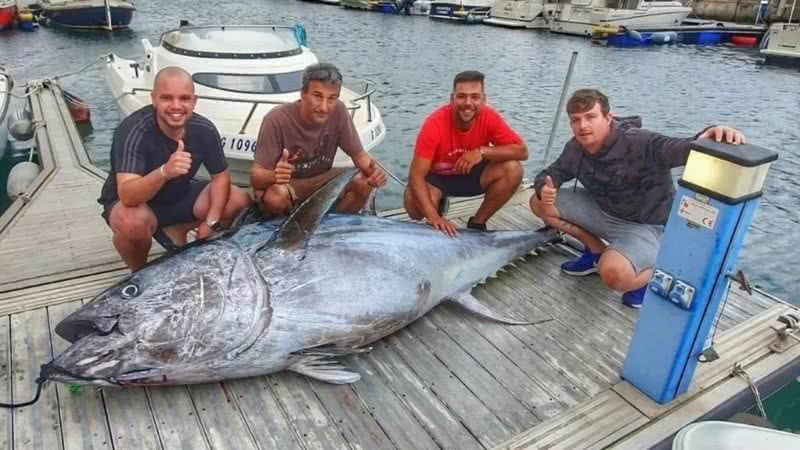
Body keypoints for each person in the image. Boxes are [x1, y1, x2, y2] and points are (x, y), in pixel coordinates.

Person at [529, 89, 746, 308]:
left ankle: (655, 272)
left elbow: (680, 147)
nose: (583, 126)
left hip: (646, 225)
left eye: (591, 117)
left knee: (613, 275)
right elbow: (550, 173)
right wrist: (545, 187)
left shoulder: (641, 142)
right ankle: (595, 251)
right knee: (538, 202)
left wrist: (711, 133)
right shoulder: (576, 148)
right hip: (603, 210)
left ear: (608, 117)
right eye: (576, 120)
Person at [98, 66, 251, 271]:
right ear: (154, 99)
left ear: (194, 101)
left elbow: (221, 177)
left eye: (184, 99)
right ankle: (140, 274)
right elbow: (127, 195)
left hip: (178, 194)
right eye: (167, 98)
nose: (176, 106)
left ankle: (176, 228)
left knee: (239, 200)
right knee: (131, 224)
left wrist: (211, 221)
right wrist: (164, 172)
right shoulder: (132, 130)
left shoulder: (204, 129)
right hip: (134, 203)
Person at [250, 63, 387, 216]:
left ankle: (332, 228)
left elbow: (359, 155)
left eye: (331, 98)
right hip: (289, 185)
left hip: (322, 181)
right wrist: (275, 175)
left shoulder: (339, 111)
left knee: (363, 182)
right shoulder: (276, 119)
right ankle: (286, 233)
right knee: (275, 198)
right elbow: (256, 177)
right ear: (303, 94)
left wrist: (375, 173)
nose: (324, 107)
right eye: (317, 96)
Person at [404, 70, 527, 236]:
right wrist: (433, 217)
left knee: (513, 169)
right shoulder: (434, 124)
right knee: (413, 207)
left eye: (475, 97)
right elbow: (416, 175)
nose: (468, 103)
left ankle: (477, 223)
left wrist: (481, 151)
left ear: (483, 99)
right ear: (452, 98)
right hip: (437, 178)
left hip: (470, 174)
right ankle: (437, 209)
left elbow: (522, 151)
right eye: (461, 96)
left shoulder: (489, 117)